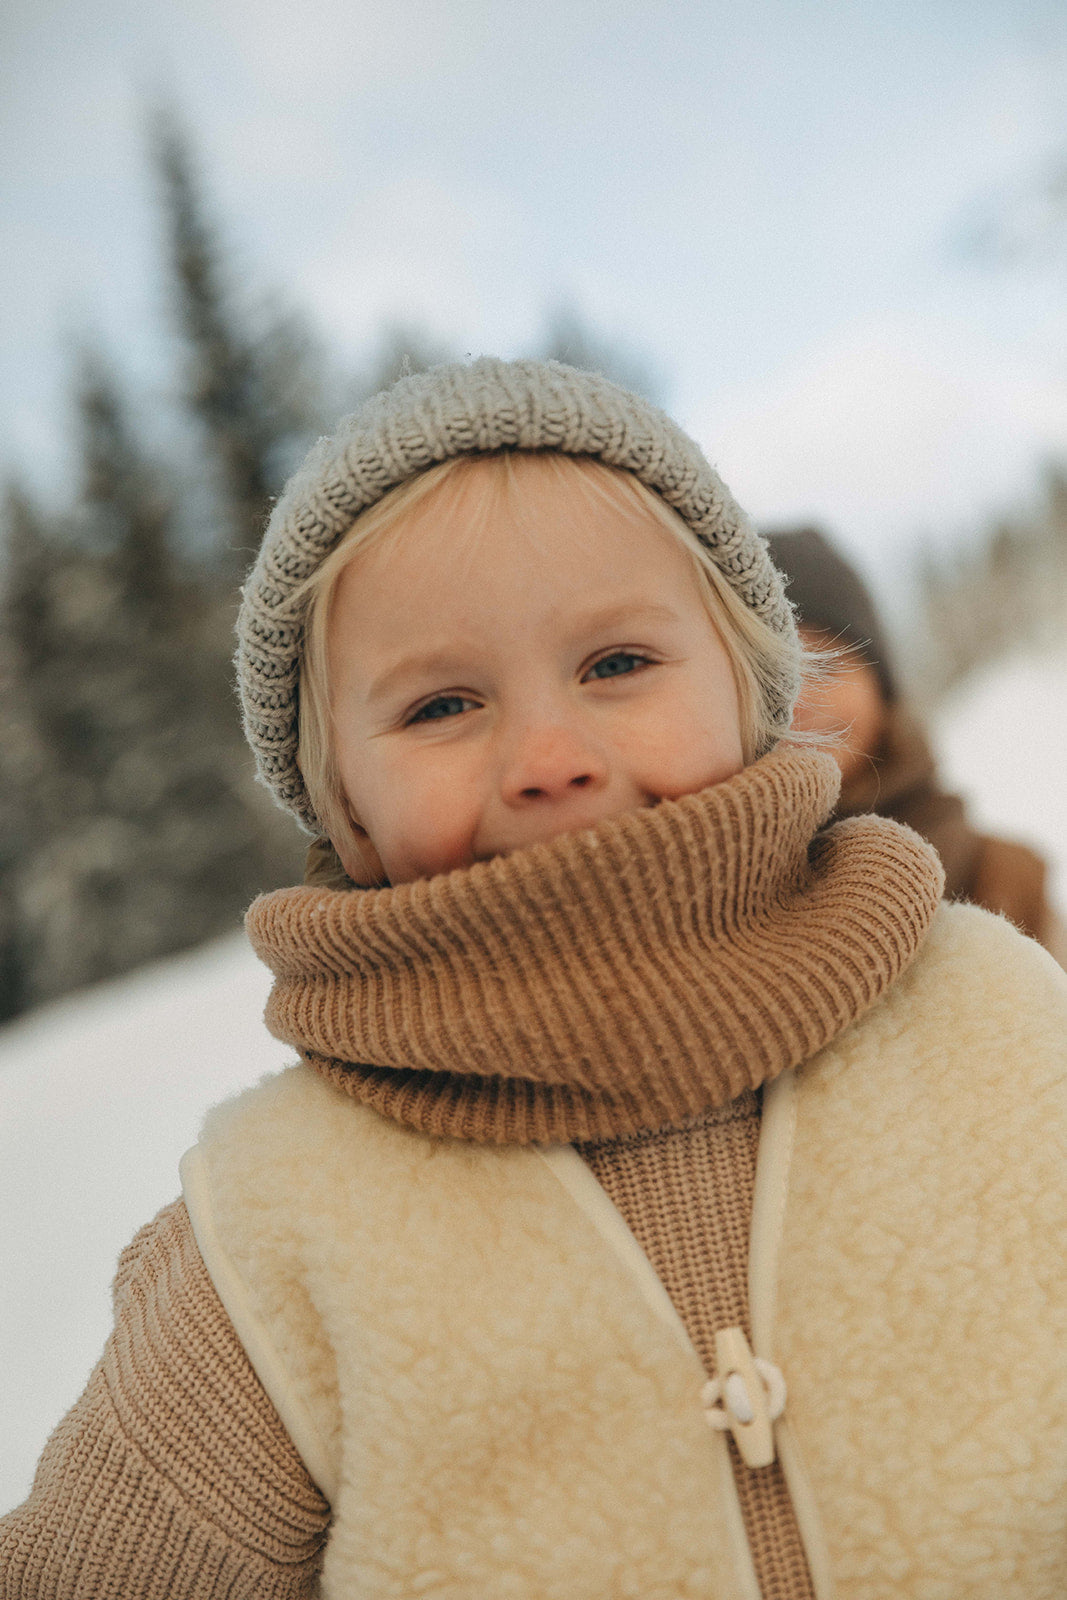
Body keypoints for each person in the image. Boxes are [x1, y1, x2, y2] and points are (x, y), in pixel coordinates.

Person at [3, 359, 1067, 1600]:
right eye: (442, 702)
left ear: (754, 692)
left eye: (616, 663)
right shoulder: (275, 1232)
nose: (549, 758)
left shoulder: (999, 1024)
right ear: (340, 802)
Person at [766, 524, 1067, 965]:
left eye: (826, 667)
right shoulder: (709, 892)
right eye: (774, 680)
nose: (801, 703)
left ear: (881, 685)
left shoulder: (1006, 880)